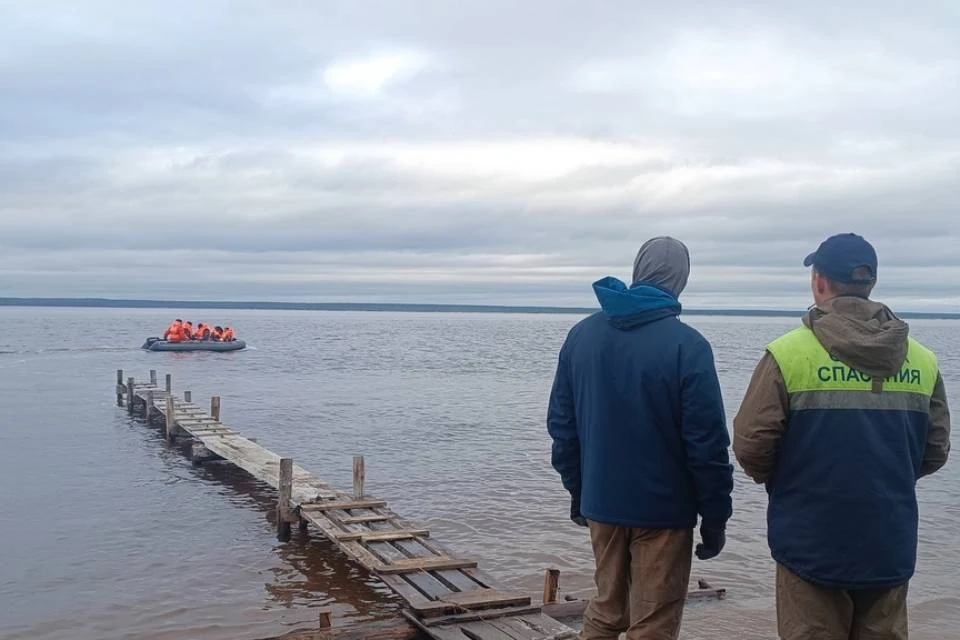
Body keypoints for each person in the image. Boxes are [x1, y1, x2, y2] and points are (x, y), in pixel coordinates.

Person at [733, 233, 951, 640]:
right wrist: (884, 476)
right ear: (871, 284)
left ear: (819, 282)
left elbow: (751, 445)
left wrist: (788, 483)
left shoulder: (788, 354)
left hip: (809, 540)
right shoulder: (922, 359)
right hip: (888, 537)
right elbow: (935, 451)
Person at [547, 236, 734, 640]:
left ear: (638, 272)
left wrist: (579, 492)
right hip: (664, 513)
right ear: (680, 281)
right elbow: (708, 446)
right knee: (654, 624)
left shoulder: (581, 337)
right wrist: (715, 517)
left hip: (603, 503)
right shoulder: (689, 346)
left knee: (606, 609)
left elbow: (563, 429)